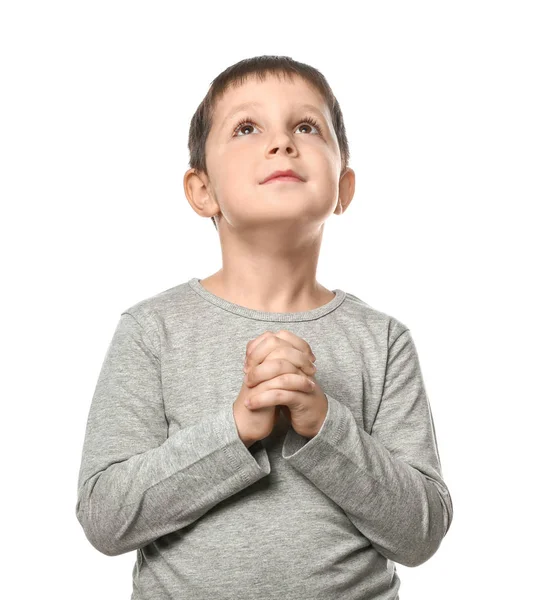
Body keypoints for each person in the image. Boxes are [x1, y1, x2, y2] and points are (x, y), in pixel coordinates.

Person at [75, 55, 453, 600]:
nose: (282, 143)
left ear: (343, 187)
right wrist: (235, 429)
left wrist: (324, 424)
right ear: (201, 190)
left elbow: (421, 535)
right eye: (247, 128)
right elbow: (105, 518)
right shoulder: (151, 330)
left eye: (306, 126)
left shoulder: (384, 340)